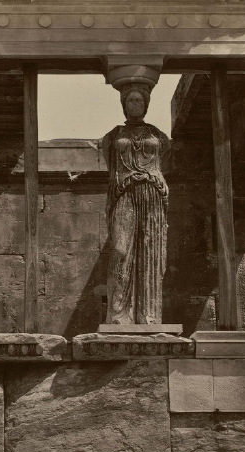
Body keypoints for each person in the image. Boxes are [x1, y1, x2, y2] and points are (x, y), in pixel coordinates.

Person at [102, 82, 170, 324]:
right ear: (124, 104)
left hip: (152, 193)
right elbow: (111, 166)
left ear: (146, 104)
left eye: (139, 100)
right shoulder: (113, 136)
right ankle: (118, 313)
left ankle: (148, 314)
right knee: (120, 249)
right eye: (131, 100)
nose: (135, 104)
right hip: (125, 192)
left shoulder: (158, 136)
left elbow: (163, 160)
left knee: (150, 251)